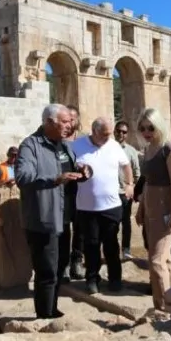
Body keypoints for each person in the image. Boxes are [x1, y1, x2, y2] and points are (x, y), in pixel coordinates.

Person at [14, 104, 89, 318]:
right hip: (43, 219)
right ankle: (44, 316)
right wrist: (54, 180)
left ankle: (52, 309)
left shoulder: (64, 146)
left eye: (70, 121)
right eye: (64, 122)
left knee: (59, 269)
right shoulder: (30, 145)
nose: (70, 125)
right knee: (46, 271)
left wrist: (84, 172)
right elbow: (23, 178)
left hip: (64, 218)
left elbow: (72, 171)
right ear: (49, 122)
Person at [72, 117, 134, 294]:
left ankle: (115, 279)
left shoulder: (113, 146)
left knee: (111, 245)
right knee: (91, 246)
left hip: (111, 206)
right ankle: (92, 280)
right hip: (87, 208)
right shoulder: (77, 146)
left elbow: (126, 165)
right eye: (104, 134)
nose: (108, 138)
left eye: (110, 134)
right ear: (94, 131)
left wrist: (129, 184)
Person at [134, 108, 171, 309]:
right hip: (151, 207)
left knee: (156, 261)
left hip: (164, 208)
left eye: (150, 127)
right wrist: (141, 207)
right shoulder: (148, 149)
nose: (146, 132)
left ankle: (162, 307)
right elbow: (146, 182)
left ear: (159, 125)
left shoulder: (168, 149)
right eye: (142, 128)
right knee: (165, 258)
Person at [62, 103, 85, 282]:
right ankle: (63, 265)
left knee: (80, 229)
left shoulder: (84, 141)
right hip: (63, 191)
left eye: (73, 118)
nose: (70, 121)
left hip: (83, 191)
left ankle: (77, 261)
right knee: (63, 229)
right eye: (67, 118)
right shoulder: (58, 141)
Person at [114, 120, 141, 259]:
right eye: (118, 131)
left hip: (125, 193)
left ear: (127, 134)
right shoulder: (107, 148)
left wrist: (133, 189)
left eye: (124, 132)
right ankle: (112, 250)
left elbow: (137, 173)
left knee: (125, 222)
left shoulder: (131, 151)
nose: (121, 134)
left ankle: (126, 249)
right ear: (114, 131)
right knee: (112, 224)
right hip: (110, 193)